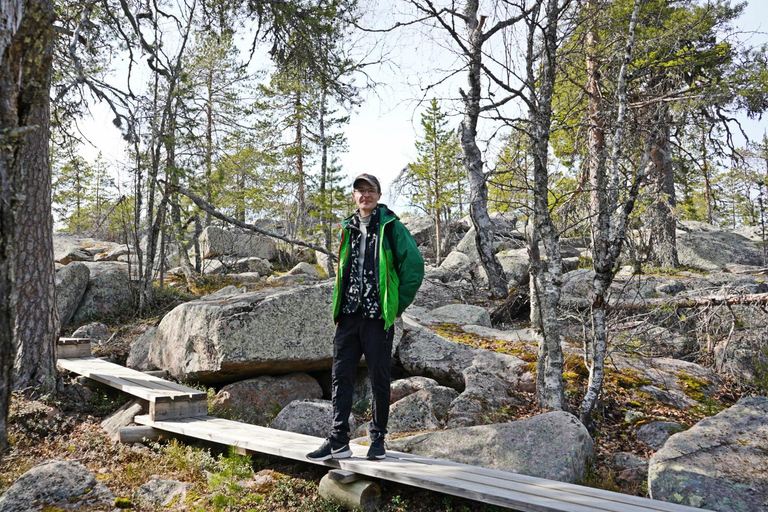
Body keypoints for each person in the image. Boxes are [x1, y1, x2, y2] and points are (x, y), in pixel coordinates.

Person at [307, 173, 425, 461]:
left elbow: (415, 266)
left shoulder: (392, 227)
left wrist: (395, 306)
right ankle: (338, 441)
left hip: (377, 318)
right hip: (348, 316)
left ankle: (378, 440)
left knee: (379, 379)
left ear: (379, 195)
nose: (365, 195)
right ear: (354, 196)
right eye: (360, 191)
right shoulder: (347, 227)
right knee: (340, 377)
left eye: (370, 190)